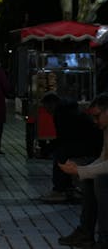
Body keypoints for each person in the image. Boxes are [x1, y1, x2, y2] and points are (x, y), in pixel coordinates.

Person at [59, 93, 108, 249]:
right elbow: (103, 158)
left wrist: (82, 170)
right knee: (90, 178)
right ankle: (86, 232)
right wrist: (82, 170)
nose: (95, 121)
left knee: (100, 180)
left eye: (97, 116)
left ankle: (104, 239)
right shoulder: (106, 128)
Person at [38, 92, 102, 205]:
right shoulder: (68, 109)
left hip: (88, 144)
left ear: (52, 104)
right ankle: (66, 188)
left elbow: (64, 137)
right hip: (89, 143)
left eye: (46, 107)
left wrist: (48, 148)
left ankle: (60, 189)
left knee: (60, 155)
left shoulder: (61, 113)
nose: (46, 110)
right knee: (62, 151)